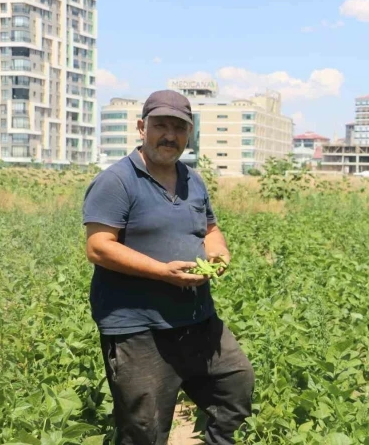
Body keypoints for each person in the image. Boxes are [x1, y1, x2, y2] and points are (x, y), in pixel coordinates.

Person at [82, 89, 255, 445]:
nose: (171, 135)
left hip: (198, 321)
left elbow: (210, 229)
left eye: (180, 127)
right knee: (144, 430)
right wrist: (161, 272)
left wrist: (219, 252)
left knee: (235, 387)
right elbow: (99, 248)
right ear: (141, 127)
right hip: (139, 329)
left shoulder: (193, 179)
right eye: (161, 125)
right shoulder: (117, 181)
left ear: (189, 133)